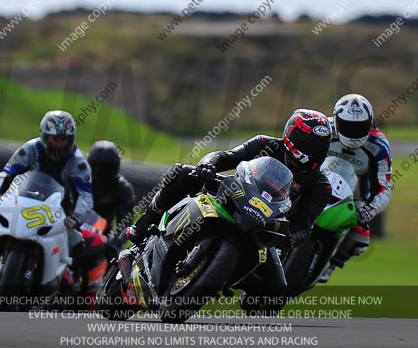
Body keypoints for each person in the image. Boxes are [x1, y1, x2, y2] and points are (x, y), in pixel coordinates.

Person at [122, 109, 334, 311]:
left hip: (262, 227)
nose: (315, 152)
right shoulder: (265, 144)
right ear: (293, 138)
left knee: (275, 293)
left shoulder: (320, 186)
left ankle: (228, 284)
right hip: (232, 198)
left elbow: (305, 226)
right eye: (310, 145)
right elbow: (224, 157)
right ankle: (142, 226)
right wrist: (207, 165)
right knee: (183, 173)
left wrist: (291, 238)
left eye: (321, 147)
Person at [319, 93, 393, 283]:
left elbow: (384, 187)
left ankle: (332, 262)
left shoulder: (379, 146)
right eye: (347, 126)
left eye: (359, 127)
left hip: (355, 194)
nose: (353, 132)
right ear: (335, 120)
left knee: (360, 240)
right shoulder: (321, 130)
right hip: (316, 182)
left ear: (370, 124)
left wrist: (371, 208)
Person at [0, 110, 93, 234]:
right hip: (25, 201)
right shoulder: (30, 148)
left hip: (60, 211)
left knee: (76, 241)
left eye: (64, 139)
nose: (59, 144)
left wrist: (76, 217)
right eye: (55, 138)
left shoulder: (79, 163)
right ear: (45, 135)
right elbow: (7, 174)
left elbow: (85, 195)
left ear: (71, 139)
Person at [86, 140, 136, 258]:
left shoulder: (123, 188)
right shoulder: (81, 182)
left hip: (104, 239)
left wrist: (114, 243)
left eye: (107, 167)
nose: (102, 172)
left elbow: (126, 222)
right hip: (77, 233)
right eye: (98, 166)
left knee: (114, 257)